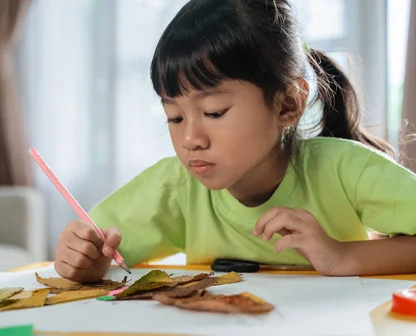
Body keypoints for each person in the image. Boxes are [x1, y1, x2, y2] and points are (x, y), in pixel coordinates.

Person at [54, 0, 416, 283]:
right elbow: (98, 247)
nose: (191, 139)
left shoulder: (345, 169)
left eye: (214, 112)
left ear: (287, 103)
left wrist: (343, 256)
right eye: (175, 118)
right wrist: (85, 259)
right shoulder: (175, 187)